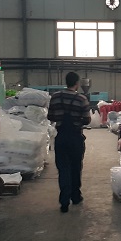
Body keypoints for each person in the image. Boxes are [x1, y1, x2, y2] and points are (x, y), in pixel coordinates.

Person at [48, 72, 91, 213]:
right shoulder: (81, 99)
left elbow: (50, 116)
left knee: (63, 169)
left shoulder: (55, 97)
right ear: (77, 83)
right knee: (76, 167)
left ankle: (64, 202)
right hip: (75, 138)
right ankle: (76, 196)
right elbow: (87, 120)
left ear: (66, 82)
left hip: (61, 138)